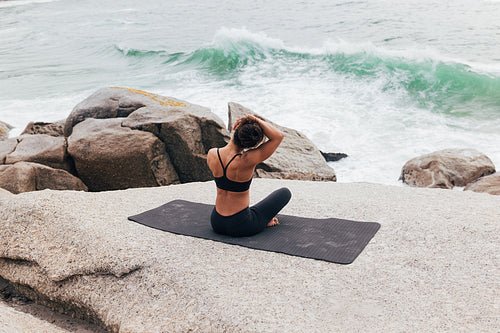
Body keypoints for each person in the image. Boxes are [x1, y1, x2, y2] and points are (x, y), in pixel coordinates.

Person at [207, 114, 291, 237]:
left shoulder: (212, 154)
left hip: (216, 222)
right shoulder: (247, 160)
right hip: (241, 225)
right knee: (285, 192)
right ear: (252, 145)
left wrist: (246, 121)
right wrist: (257, 119)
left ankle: (261, 220)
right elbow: (278, 136)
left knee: (253, 211)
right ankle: (261, 222)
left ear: (236, 128)